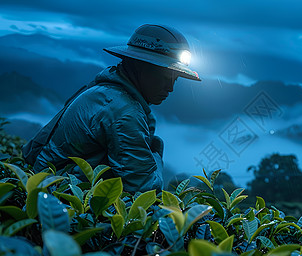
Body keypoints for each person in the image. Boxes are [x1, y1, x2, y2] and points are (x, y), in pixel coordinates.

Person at [22, 24, 201, 193]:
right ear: (141, 69)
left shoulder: (104, 91)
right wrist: (156, 155)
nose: (170, 88)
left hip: (46, 183)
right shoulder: (123, 111)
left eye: (174, 80)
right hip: (59, 198)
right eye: (165, 78)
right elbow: (144, 188)